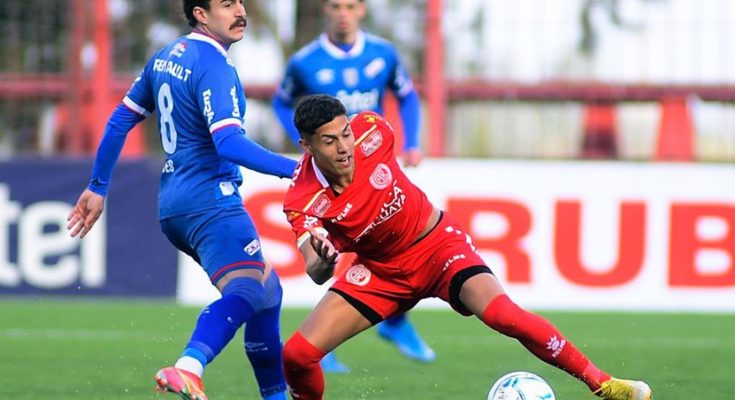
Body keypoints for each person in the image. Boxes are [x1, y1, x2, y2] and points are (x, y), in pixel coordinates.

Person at [280, 94, 653, 400]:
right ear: (307, 145)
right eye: (329, 141)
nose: (344, 147)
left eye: (345, 133)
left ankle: (603, 383)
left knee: (505, 315)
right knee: (297, 355)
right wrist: (325, 262)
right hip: (380, 272)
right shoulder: (302, 199)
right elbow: (314, 269)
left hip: (437, 247)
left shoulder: (374, 131)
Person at [66, 1, 295, 399]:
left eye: (240, 1)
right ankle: (189, 366)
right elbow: (229, 143)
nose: (240, 10)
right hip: (210, 200)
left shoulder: (165, 58)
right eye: (226, 4)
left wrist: (99, 186)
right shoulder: (215, 66)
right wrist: (297, 168)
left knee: (267, 292)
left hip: (174, 205)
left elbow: (121, 119)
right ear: (201, 14)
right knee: (248, 291)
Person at [272, 0, 430, 372]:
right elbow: (281, 104)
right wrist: (308, 149)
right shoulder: (304, 61)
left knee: (396, 242)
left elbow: (407, 95)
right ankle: (328, 342)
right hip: (332, 173)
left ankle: (394, 323)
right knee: (339, 248)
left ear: (362, 10)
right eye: (336, 6)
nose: (343, 12)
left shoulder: (383, 54)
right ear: (326, 10)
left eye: (351, 5)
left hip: (371, 163)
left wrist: (412, 142)